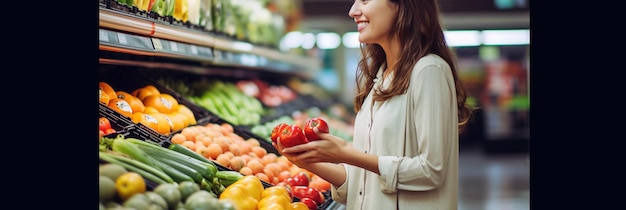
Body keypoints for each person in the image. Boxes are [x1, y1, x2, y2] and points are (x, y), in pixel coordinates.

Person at [273, 0, 474, 209]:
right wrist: (308, 162)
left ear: (403, 5)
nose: (353, 11)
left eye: (365, 0)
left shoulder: (428, 70)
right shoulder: (379, 77)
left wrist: (346, 154)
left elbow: (432, 171)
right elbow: (364, 186)